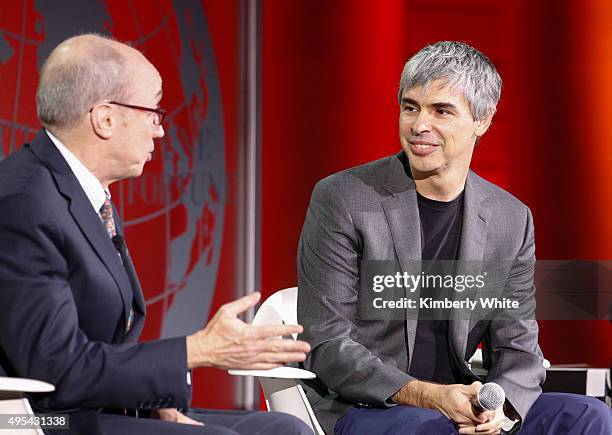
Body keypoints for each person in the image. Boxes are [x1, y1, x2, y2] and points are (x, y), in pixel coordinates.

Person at [0, 34, 312, 435]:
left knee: (282, 429)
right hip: (40, 419)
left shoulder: (81, 192)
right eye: (152, 111)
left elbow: (103, 341)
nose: (160, 131)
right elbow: (59, 367)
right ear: (105, 118)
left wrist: (152, 401)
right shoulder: (24, 202)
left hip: (94, 407)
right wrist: (197, 350)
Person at [297, 41, 612, 434]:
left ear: (482, 120)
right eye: (410, 107)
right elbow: (328, 344)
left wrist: (502, 407)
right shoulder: (344, 199)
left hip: (462, 402)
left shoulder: (510, 219)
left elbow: (519, 347)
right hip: (371, 405)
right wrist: (428, 395)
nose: (418, 126)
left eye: (441, 111)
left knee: (589, 417)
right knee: (431, 428)